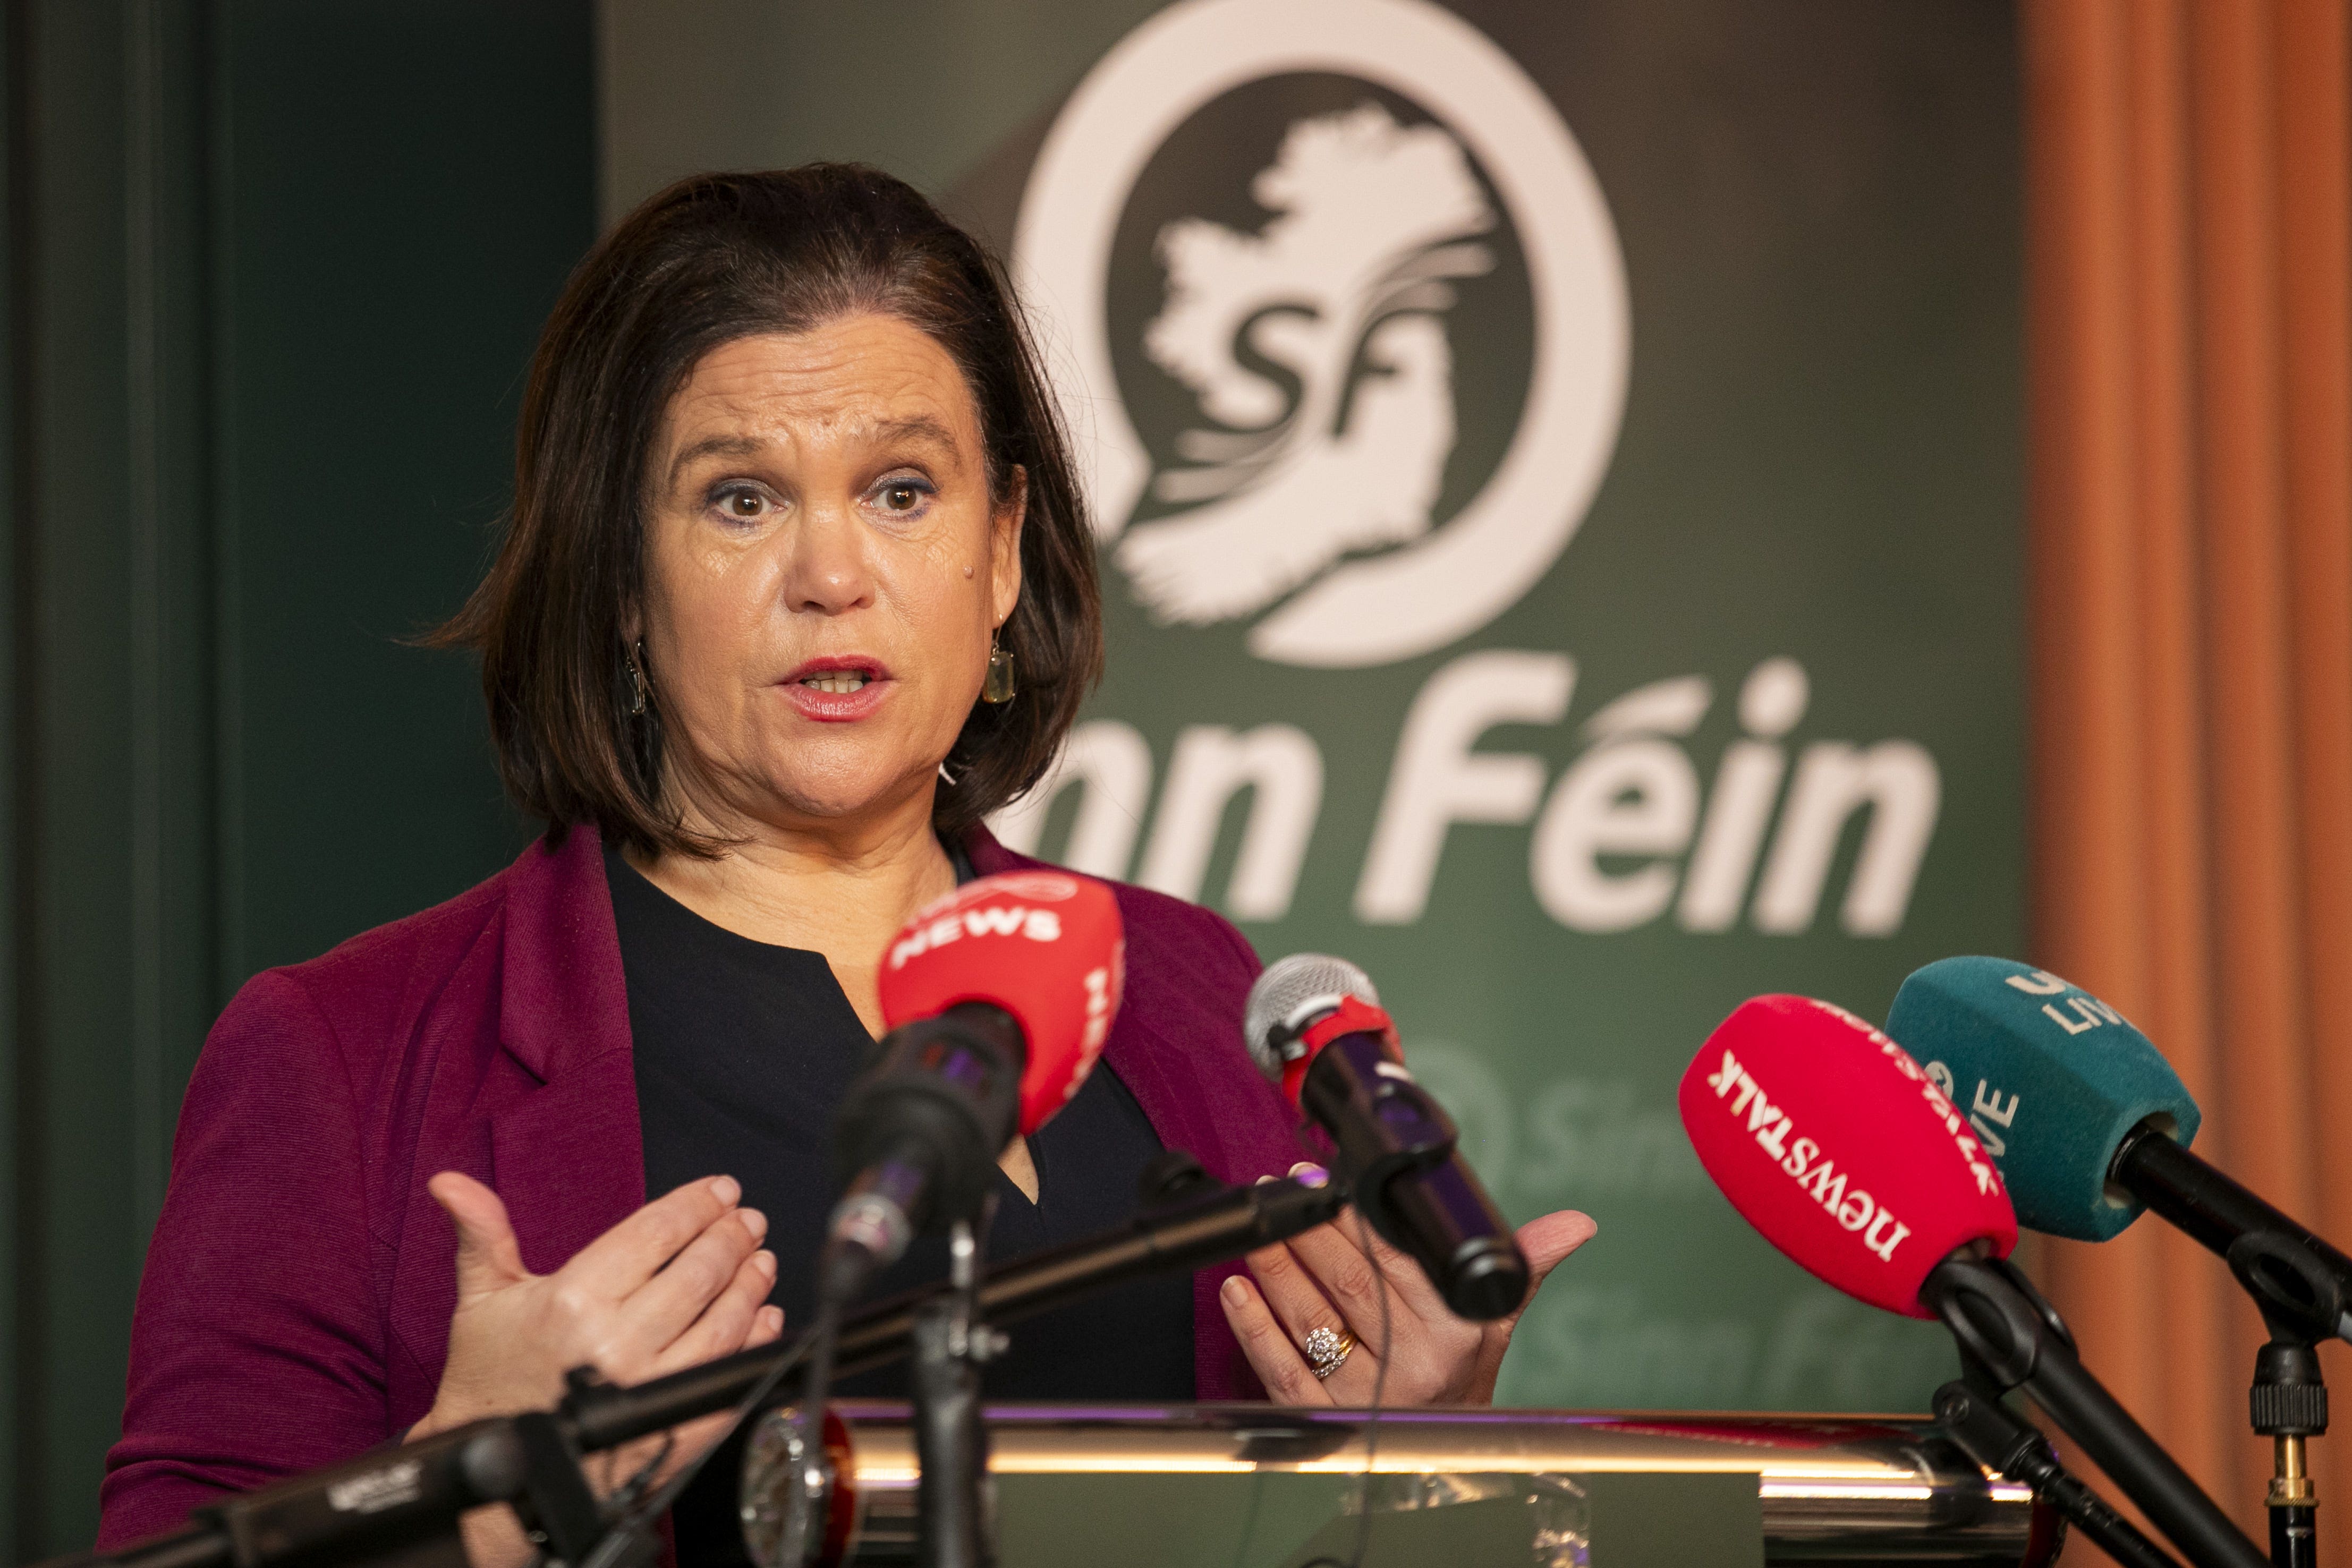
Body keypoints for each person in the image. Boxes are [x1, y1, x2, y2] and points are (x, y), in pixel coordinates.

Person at [97, 166, 1595, 1562]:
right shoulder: (346, 1056)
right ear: (622, 580)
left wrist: (1412, 1463)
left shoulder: (1188, 986)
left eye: (901, 491)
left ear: (1001, 550)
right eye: (739, 499)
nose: (830, 576)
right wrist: (465, 1503)